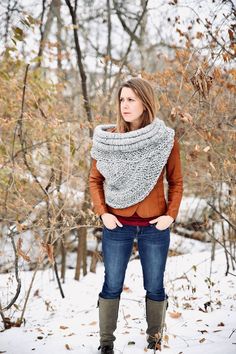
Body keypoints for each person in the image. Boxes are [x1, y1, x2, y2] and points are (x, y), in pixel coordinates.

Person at [89, 78, 183, 354]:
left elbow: (176, 182)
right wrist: (103, 213)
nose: (125, 105)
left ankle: (155, 341)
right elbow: (94, 180)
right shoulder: (108, 140)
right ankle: (106, 343)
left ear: (145, 102)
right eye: (122, 99)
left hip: (155, 226)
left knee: (154, 284)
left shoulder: (165, 139)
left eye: (131, 99)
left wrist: (170, 215)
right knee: (112, 284)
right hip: (117, 225)